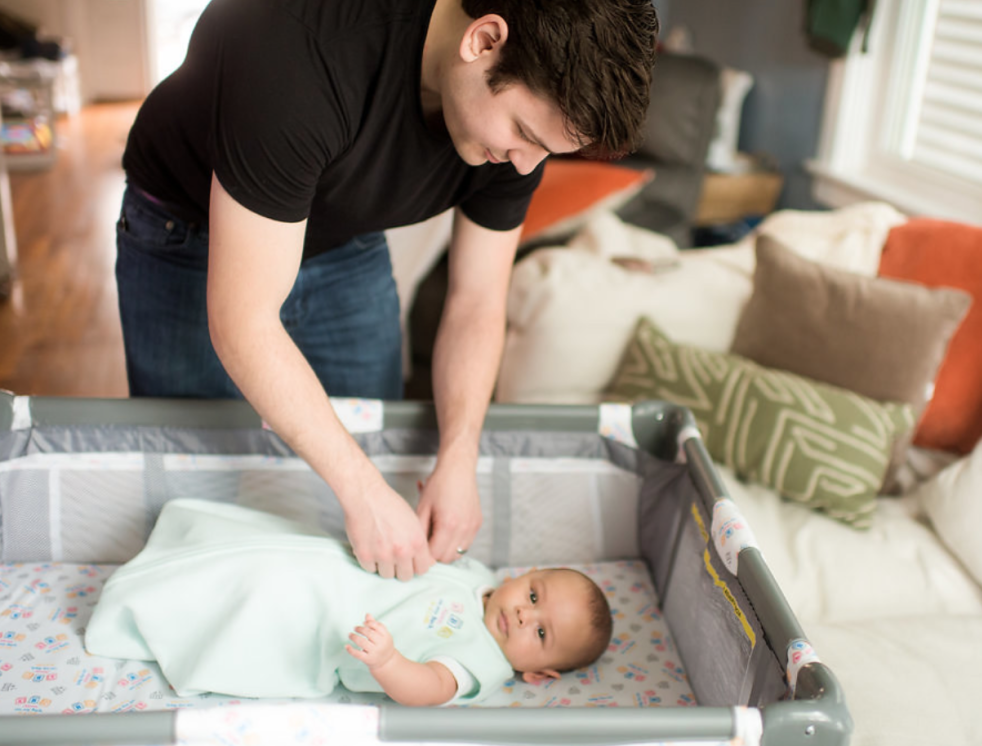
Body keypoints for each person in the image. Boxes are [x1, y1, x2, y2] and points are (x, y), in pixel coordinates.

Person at [114, 0, 658, 580]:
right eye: (523, 133)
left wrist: (459, 455)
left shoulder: (518, 143)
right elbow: (244, 321)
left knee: (367, 468)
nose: (524, 168)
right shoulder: (299, 48)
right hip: (188, 235)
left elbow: (475, 300)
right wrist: (362, 491)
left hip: (347, 233)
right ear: (483, 41)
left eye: (546, 150)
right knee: (201, 491)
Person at [84, 498, 613, 706]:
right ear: (526, 575)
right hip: (328, 562)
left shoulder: (484, 663)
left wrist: (389, 662)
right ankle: (174, 554)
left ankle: (139, 612)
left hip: (322, 620)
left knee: (251, 592)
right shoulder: (481, 579)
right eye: (534, 595)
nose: (524, 614)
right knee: (246, 547)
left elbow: (429, 688)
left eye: (540, 633)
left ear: (539, 675)